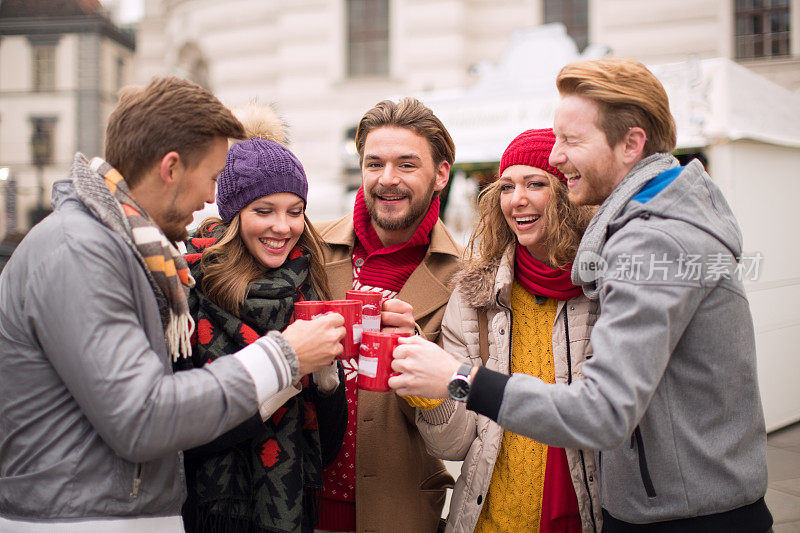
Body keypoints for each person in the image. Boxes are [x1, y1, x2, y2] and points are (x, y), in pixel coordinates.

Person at [390, 58, 773, 532]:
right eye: (507, 186)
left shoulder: (650, 240)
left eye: (570, 141)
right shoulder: (641, 229)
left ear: (631, 143)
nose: (555, 156)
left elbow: (603, 412)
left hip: (686, 516)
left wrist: (461, 378)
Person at [0, 77, 344, 530]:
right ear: (171, 168)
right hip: (78, 517)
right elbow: (141, 418)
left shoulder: (132, 251)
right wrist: (284, 358)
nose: (209, 198)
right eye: (213, 177)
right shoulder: (80, 250)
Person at [408, 128, 601, 533]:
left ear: (568, 193)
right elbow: (455, 446)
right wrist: (429, 392)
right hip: (490, 521)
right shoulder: (473, 295)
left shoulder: (605, 291)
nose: (518, 199)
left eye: (536, 183)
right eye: (507, 186)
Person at [176, 111, 348, 533]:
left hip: (296, 507)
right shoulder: (191, 284)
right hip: (211, 514)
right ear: (235, 213)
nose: (283, 227)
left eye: (295, 211)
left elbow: (326, 448)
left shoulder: (308, 282)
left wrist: (327, 378)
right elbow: (185, 438)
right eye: (264, 211)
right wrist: (284, 369)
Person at [314, 98, 462, 533]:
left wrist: (417, 355)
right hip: (299, 505)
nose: (388, 180)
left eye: (407, 165)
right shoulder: (309, 248)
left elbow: (460, 429)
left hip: (398, 514)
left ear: (441, 174)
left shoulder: (466, 277)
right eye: (374, 164)